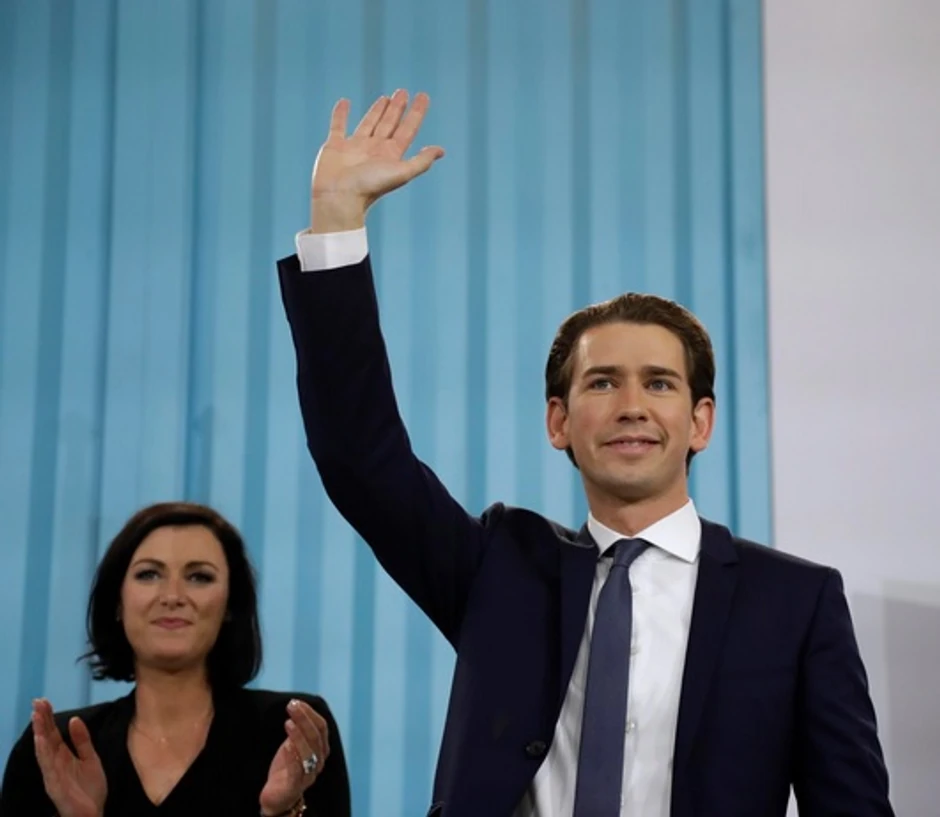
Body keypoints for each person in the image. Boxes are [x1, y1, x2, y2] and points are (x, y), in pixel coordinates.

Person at [276, 90, 894, 817]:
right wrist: (337, 223)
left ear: (700, 422)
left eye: (658, 383)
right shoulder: (499, 568)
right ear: (558, 421)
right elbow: (360, 455)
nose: (631, 405)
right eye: (602, 382)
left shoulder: (794, 602)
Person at [0, 502, 350, 817]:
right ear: (118, 602)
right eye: (149, 574)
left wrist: (282, 811)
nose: (172, 596)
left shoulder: (291, 732)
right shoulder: (57, 748)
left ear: (230, 605)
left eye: (199, 577)